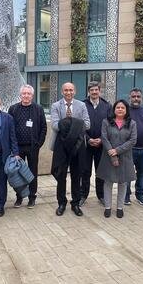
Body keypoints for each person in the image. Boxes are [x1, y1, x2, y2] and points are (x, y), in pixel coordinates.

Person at [50, 82, 89, 217]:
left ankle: (76, 203)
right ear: (62, 92)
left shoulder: (81, 105)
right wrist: (74, 125)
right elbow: (55, 125)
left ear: (75, 91)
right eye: (66, 90)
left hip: (78, 146)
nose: (68, 92)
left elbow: (87, 124)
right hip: (61, 146)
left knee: (76, 175)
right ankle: (61, 203)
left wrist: (68, 125)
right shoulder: (56, 106)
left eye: (71, 90)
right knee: (61, 176)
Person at [96, 99, 137, 218]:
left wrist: (117, 150)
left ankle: (120, 207)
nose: (120, 109)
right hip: (108, 156)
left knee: (123, 182)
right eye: (118, 107)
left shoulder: (132, 123)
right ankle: (107, 207)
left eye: (122, 108)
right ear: (114, 109)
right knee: (108, 182)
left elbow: (133, 140)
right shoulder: (106, 122)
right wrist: (111, 151)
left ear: (126, 110)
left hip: (125, 156)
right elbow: (104, 138)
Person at [8, 84, 46, 208]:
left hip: (32, 147)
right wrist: (13, 148)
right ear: (20, 95)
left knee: (32, 172)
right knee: (18, 173)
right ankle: (19, 197)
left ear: (32, 95)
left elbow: (43, 127)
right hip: (17, 147)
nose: (26, 96)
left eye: (28, 94)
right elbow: (9, 129)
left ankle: (32, 197)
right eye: (24, 93)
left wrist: (38, 144)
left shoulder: (38, 109)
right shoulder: (13, 109)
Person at [81, 81, 110, 207]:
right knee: (85, 171)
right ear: (89, 91)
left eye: (96, 90)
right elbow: (79, 125)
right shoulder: (82, 105)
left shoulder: (107, 105)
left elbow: (110, 125)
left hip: (101, 145)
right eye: (91, 90)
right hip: (86, 145)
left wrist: (101, 139)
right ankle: (83, 195)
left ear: (99, 91)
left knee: (101, 171)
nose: (94, 92)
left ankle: (101, 195)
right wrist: (88, 139)